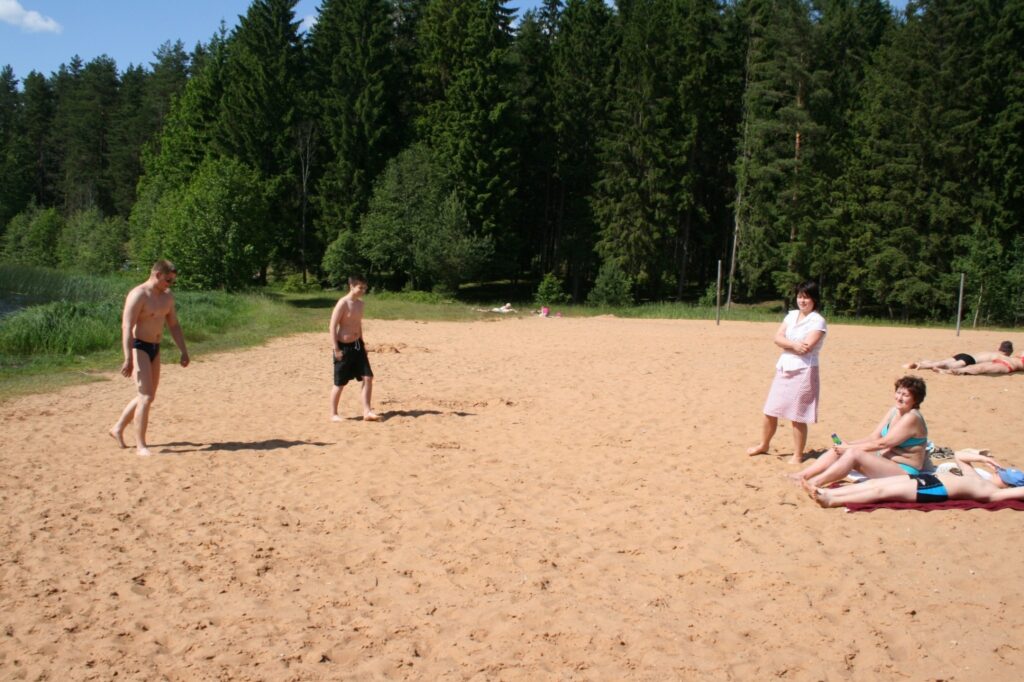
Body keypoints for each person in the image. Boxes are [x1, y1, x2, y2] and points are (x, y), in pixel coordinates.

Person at [109, 260, 190, 456]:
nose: (170, 284)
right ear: (157, 275)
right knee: (145, 396)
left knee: (148, 396)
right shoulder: (139, 295)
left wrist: (184, 350)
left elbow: (174, 325)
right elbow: (127, 327)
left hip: (155, 347)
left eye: (172, 280)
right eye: (168, 280)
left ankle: (118, 428)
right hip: (139, 346)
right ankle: (141, 445)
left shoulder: (167, 297)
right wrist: (128, 358)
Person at [788, 375, 928, 488]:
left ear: (915, 399)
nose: (899, 397)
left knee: (852, 452)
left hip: (904, 470)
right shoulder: (894, 411)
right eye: (898, 392)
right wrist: (846, 445)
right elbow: (874, 436)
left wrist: (849, 448)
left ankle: (814, 483)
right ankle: (803, 475)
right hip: (885, 463)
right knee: (839, 448)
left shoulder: (912, 418)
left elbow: (882, 444)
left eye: (905, 395)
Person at [747, 281, 827, 463]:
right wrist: (792, 344)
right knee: (770, 409)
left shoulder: (818, 321)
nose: (802, 300)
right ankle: (764, 444)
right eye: (800, 296)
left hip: (804, 370)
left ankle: (798, 454)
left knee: (798, 415)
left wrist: (789, 344)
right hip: (784, 367)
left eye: (806, 297)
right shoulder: (791, 316)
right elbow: (777, 338)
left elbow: (806, 347)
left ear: (814, 299)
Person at [804, 450, 1024, 508]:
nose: (998, 473)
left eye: (1003, 475)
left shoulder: (993, 493)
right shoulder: (976, 476)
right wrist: (983, 459)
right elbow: (959, 456)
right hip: (930, 479)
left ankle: (831, 500)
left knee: (881, 492)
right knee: (875, 484)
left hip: (935, 492)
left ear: (1009, 485)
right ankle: (829, 493)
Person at [329, 274, 378, 422]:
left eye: (365, 288)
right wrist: (336, 349)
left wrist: (363, 343)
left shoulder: (360, 304)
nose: (363, 290)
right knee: (340, 383)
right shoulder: (343, 303)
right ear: (351, 286)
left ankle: (367, 411)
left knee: (368, 377)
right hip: (343, 347)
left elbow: (358, 324)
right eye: (360, 287)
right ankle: (333, 414)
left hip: (358, 345)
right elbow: (332, 327)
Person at [904, 340, 1013, 371]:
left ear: (999, 348)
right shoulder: (1002, 357)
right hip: (970, 360)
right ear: (1008, 352)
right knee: (947, 366)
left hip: (965, 354)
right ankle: (921, 366)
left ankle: (922, 363)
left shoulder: (992, 352)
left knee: (942, 362)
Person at [941, 352, 1023, 376]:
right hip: (1004, 360)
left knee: (982, 369)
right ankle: (952, 370)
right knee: (978, 366)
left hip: (1008, 366)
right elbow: (1017, 355)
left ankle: (955, 371)